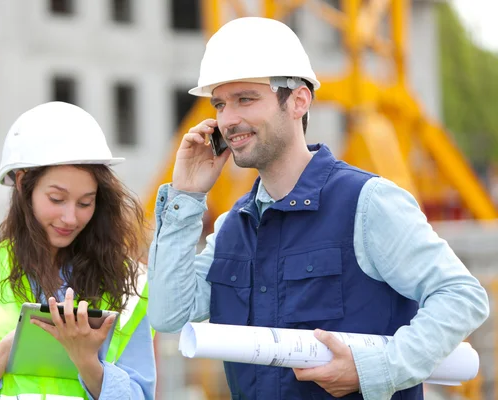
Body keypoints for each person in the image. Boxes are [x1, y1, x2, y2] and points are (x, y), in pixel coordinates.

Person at [147, 17, 489, 400]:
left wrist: (375, 370)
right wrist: (186, 197)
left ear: (298, 100)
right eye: (220, 104)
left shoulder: (366, 202)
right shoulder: (233, 227)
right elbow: (167, 314)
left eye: (245, 99)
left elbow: (461, 296)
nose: (228, 120)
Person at [0, 101, 156, 399]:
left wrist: (87, 361)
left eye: (85, 203)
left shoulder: (132, 282)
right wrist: (9, 349)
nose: (71, 218)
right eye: (57, 199)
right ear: (23, 184)